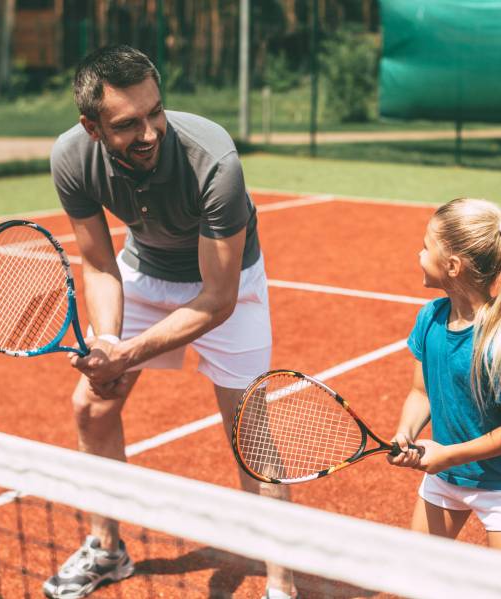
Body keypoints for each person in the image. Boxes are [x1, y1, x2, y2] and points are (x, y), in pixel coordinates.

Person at [42, 44, 298, 599]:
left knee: (249, 436)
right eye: (129, 123)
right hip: (145, 272)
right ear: (92, 127)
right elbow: (98, 262)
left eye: (155, 112)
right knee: (92, 405)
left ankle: (282, 586)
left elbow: (217, 299)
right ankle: (107, 550)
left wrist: (126, 355)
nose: (150, 131)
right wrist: (108, 338)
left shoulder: (215, 161)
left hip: (229, 287)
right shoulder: (70, 157)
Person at [389, 197, 501, 552]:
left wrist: (447, 455)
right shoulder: (430, 317)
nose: (419, 255)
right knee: (417, 576)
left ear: (453, 265)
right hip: (446, 477)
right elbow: (421, 393)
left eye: (426, 248)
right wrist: (405, 432)